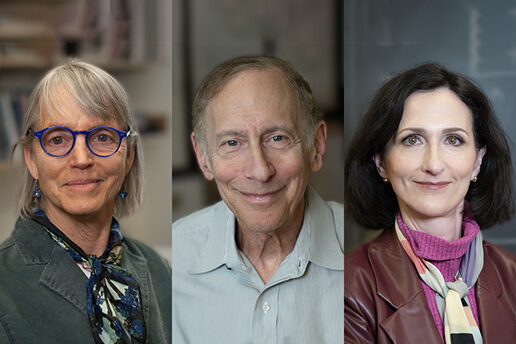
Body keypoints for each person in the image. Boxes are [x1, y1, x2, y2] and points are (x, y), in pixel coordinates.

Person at [172, 55, 343, 343]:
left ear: (317, 145)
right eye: (232, 143)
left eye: (277, 138)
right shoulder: (171, 265)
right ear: (203, 158)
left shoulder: (367, 258)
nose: (260, 171)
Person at [0, 60, 171, 343]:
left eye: (102, 137)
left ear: (128, 156)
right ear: (31, 160)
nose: (81, 159)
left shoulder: (158, 270)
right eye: (58, 140)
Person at [344, 62, 516, 343]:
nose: (434, 164)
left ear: (478, 162)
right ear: (381, 163)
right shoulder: (348, 288)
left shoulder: (513, 275)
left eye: (454, 140)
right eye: (412, 140)